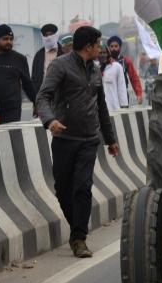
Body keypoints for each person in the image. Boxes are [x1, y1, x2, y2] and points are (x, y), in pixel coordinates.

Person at [36, 26, 120, 258]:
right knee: (63, 190)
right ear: (88, 46)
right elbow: (43, 96)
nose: (101, 48)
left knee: (82, 188)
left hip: (89, 139)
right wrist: (50, 120)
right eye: (98, 44)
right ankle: (77, 229)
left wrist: (110, 139)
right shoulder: (60, 66)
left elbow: (101, 106)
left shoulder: (94, 70)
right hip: (64, 138)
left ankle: (79, 238)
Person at [0, 24, 36, 124]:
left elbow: (27, 84)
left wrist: (36, 102)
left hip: (12, 110)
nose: (9, 42)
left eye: (11, 39)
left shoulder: (19, 59)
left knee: (12, 138)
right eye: (5, 39)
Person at [107, 35, 142, 102]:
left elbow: (134, 78)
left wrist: (139, 94)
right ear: (108, 48)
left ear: (120, 47)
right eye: (111, 46)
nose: (114, 48)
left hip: (123, 94)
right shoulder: (105, 62)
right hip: (108, 95)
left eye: (116, 46)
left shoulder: (126, 61)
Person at [32, 23, 61, 94]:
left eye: (51, 34)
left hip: (61, 95)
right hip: (43, 95)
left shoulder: (64, 52)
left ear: (56, 35)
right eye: (46, 35)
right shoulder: (38, 55)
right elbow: (34, 78)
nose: (48, 37)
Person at [99, 44, 128, 111]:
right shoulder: (93, 68)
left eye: (104, 53)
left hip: (114, 107)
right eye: (100, 53)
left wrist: (124, 105)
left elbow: (121, 87)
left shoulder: (117, 67)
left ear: (108, 54)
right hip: (99, 110)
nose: (102, 55)